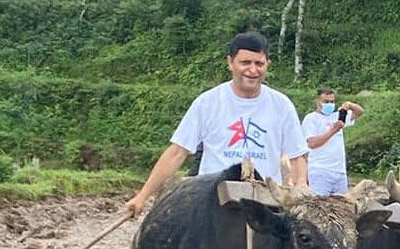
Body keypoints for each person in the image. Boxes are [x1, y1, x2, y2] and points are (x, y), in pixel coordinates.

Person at [125, 32, 307, 217]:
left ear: (267, 64)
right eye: (245, 63)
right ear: (230, 62)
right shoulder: (208, 102)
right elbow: (177, 152)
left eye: (259, 63)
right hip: (213, 202)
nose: (252, 70)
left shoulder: (282, 105)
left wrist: (301, 186)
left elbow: (297, 156)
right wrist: (142, 196)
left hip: (265, 205)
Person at [301, 88, 365, 196]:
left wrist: (350, 105)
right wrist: (333, 130)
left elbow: (359, 112)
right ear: (318, 101)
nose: (329, 104)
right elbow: (312, 143)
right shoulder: (311, 119)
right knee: (320, 205)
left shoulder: (337, 116)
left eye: (332, 102)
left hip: (339, 171)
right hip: (320, 171)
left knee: (341, 206)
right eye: (326, 102)